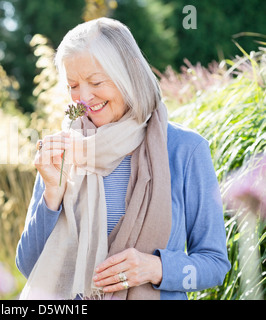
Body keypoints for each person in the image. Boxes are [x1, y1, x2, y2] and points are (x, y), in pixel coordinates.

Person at [16, 17, 230, 300]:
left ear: (128, 75)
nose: (84, 97)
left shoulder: (185, 150)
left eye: (95, 82)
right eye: (73, 85)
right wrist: (52, 196)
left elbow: (215, 265)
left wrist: (157, 268)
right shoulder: (64, 150)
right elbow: (30, 267)